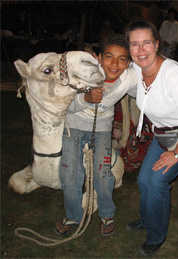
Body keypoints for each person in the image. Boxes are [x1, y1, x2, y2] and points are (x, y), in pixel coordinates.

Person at [124, 20, 178, 256]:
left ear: (157, 44)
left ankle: (156, 235)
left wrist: (176, 153)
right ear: (129, 48)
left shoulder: (172, 73)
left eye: (146, 43)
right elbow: (114, 75)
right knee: (143, 180)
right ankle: (147, 218)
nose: (141, 50)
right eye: (135, 44)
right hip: (162, 134)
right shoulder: (135, 69)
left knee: (158, 182)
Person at [55, 34, 137, 236]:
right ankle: (73, 216)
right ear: (97, 57)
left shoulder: (131, 77)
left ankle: (107, 214)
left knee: (102, 173)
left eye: (122, 59)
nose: (114, 64)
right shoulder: (81, 72)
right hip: (73, 124)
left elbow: (149, 87)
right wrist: (85, 98)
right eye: (109, 57)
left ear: (128, 63)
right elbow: (64, 106)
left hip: (101, 128)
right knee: (70, 174)